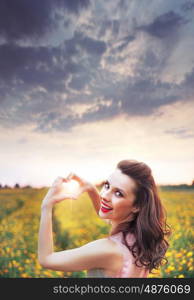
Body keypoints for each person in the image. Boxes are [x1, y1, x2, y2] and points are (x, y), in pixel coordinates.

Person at [38, 159, 171, 278]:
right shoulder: (139, 238)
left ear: (137, 206)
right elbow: (108, 214)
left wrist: (46, 206)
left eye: (118, 193)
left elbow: (47, 259)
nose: (104, 196)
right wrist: (91, 189)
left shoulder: (107, 250)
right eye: (107, 185)